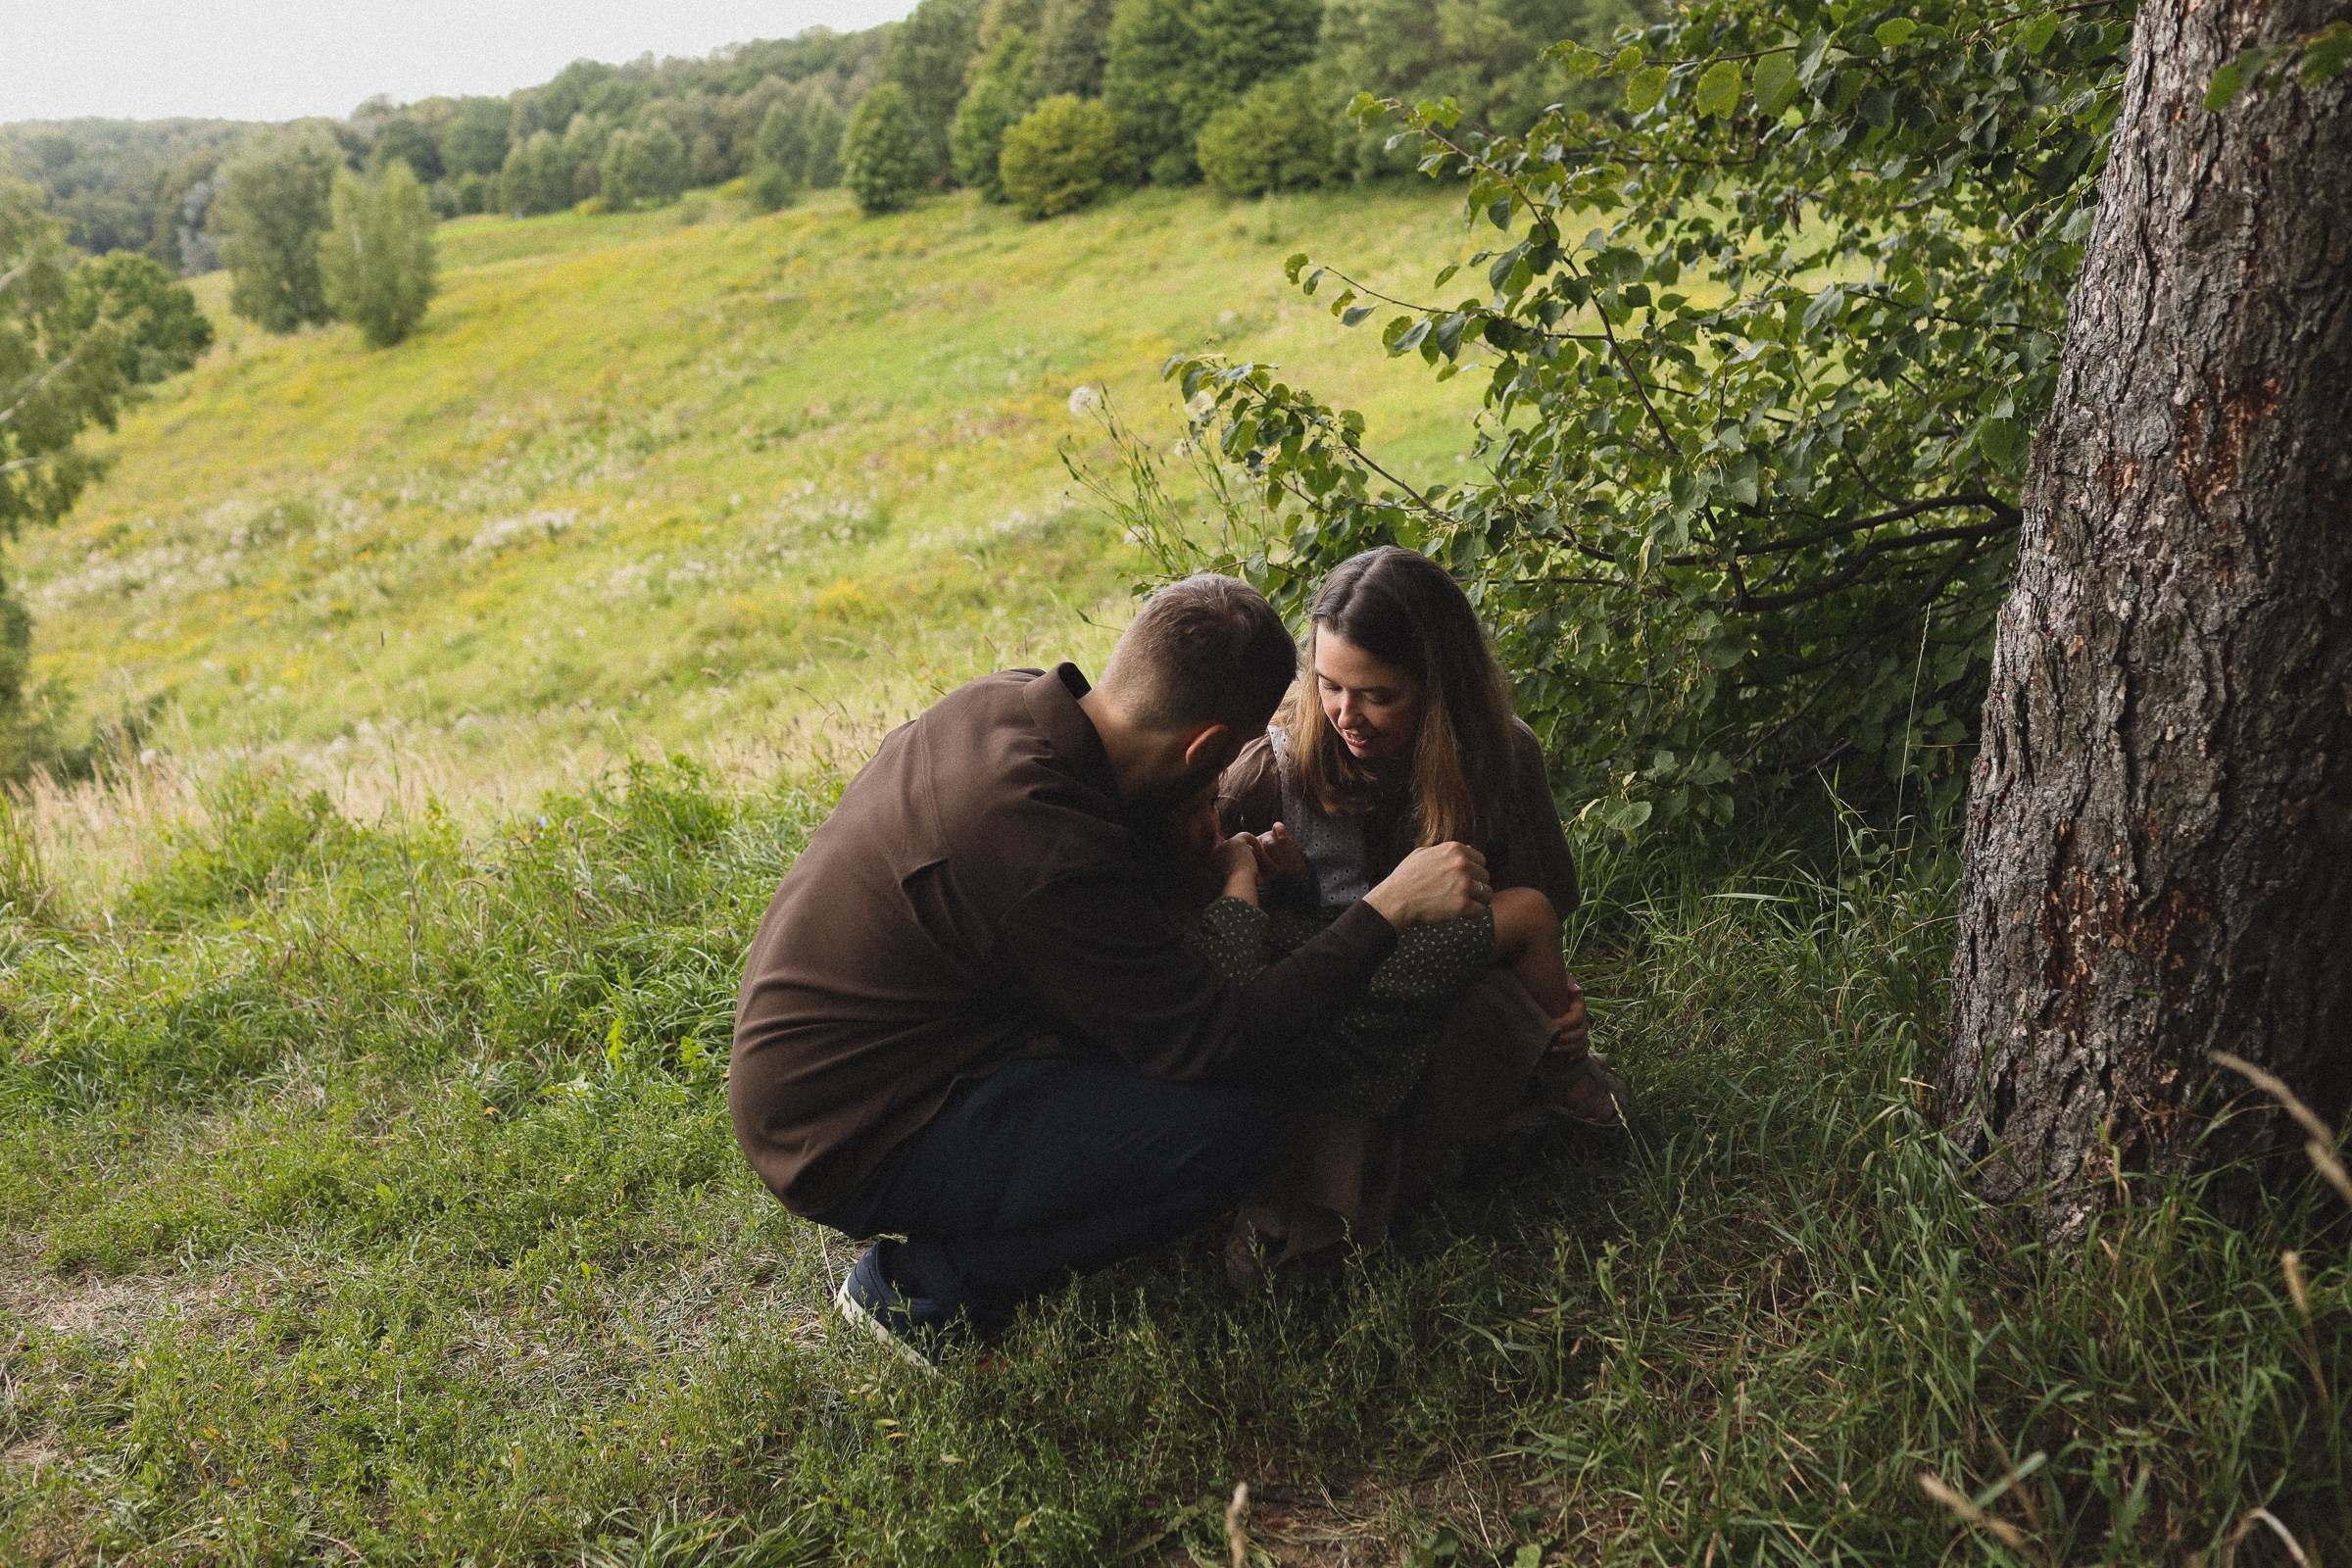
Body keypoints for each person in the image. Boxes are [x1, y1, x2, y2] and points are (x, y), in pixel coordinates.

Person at [729, 573, 1494, 1365]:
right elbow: (1220, 1042)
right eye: (1221, 767)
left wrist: (1208, 870)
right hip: (851, 1130)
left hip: (871, 1058)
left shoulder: (1006, 703)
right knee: (1225, 1136)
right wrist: (1385, 911)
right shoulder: (1041, 848)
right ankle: (918, 1288)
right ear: (1204, 748)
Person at [1212, 546, 1628, 1273]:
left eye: (1378, 695)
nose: (1346, 716)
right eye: (1328, 686)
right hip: (1328, 1015)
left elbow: (1530, 913)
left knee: (1496, 1013)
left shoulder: (1498, 757)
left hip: (1440, 990)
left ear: (1439, 687)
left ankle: (1531, 1094)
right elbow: (1244, 948)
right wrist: (1288, 880)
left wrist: (1559, 1011)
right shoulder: (1269, 770)